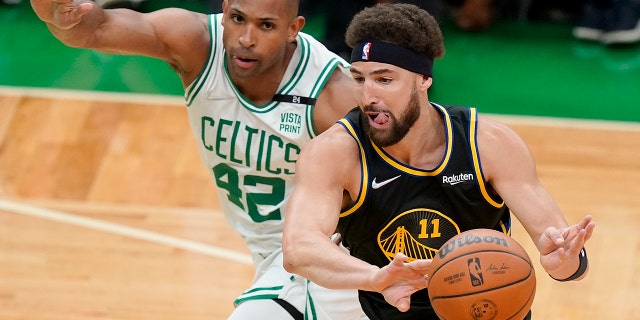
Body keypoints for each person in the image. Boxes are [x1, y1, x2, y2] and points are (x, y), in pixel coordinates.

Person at [30, 0, 367, 319]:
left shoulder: (330, 93)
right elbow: (96, 28)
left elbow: (402, 167)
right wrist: (57, 17)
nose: (246, 39)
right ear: (223, 11)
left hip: (327, 252)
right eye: (238, 19)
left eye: (266, 26)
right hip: (272, 256)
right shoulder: (196, 43)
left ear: (293, 28)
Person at [282, 3, 596, 320]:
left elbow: (562, 251)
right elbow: (299, 249)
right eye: (359, 79)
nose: (367, 96)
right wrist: (375, 278)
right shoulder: (334, 151)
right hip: (381, 310)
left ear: (423, 79)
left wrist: (564, 261)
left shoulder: (488, 144)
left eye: (384, 79)